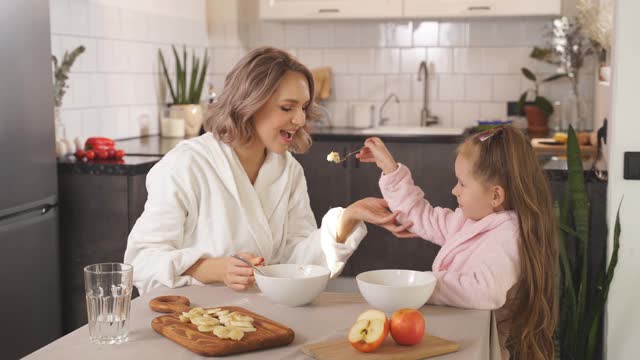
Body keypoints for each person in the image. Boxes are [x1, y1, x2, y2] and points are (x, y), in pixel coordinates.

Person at [124, 47, 409, 294]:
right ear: (250, 103)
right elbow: (141, 262)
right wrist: (211, 268)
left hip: (263, 318)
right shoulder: (187, 164)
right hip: (196, 323)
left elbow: (297, 263)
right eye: (287, 107)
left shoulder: (288, 171)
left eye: (304, 108)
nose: (299, 119)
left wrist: (349, 217)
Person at [356, 126, 557, 359]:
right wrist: (390, 170)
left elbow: (484, 291)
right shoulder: (469, 221)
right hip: (456, 337)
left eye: (462, 183)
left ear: (495, 196)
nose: (454, 190)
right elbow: (422, 217)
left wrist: (424, 284)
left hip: (475, 349)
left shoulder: (509, 237)